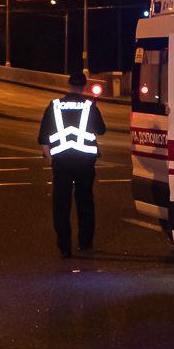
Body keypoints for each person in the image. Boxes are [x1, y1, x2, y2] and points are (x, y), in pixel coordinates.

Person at [38, 71, 106, 258]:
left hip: (62, 162)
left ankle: (64, 247)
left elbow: (43, 138)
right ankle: (85, 242)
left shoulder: (54, 106)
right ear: (83, 86)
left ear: (68, 85)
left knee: (61, 204)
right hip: (85, 162)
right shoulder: (89, 106)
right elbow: (101, 130)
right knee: (85, 201)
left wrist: (52, 160)